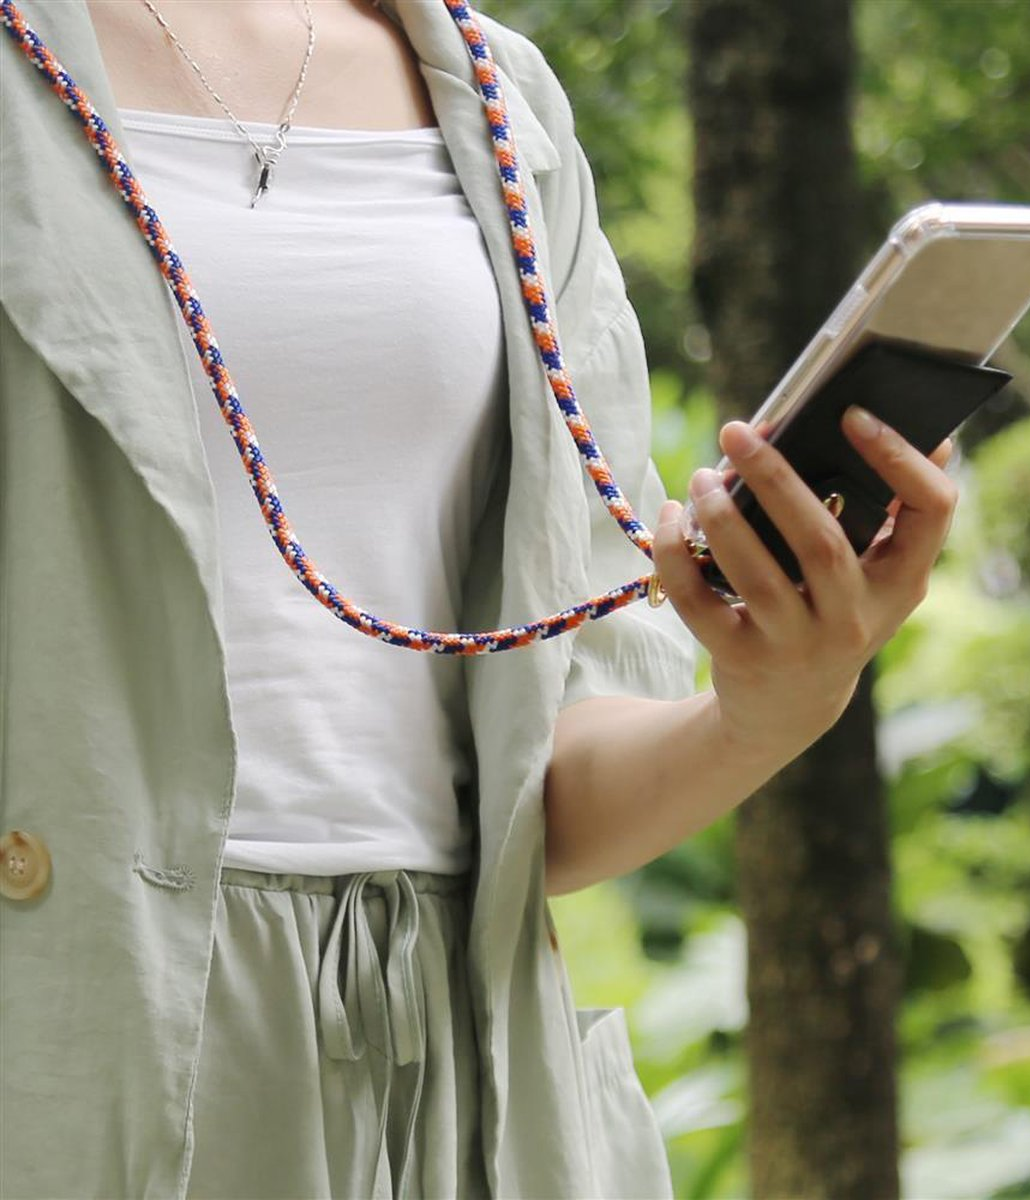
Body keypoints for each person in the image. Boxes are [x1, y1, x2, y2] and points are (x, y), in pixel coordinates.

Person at [0, 0, 957, 1197]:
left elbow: (542, 773)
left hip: (450, 1062)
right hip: (67, 1035)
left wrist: (772, 704)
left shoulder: (502, 101)